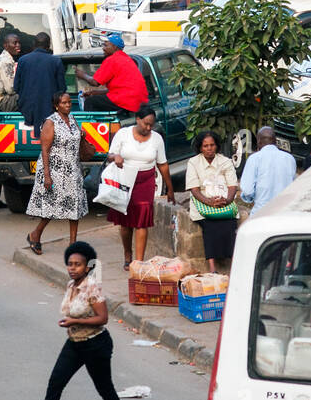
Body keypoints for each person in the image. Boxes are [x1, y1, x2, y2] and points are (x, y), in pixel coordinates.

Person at [23, 241, 134, 400]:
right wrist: (71, 323)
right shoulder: (70, 285)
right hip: (74, 343)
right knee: (55, 383)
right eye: (70, 264)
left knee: (104, 388)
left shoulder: (92, 286)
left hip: (95, 345)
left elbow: (103, 318)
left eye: (78, 264)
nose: (72, 268)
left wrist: (75, 321)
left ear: (88, 267)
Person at [106, 105, 172, 269]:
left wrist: (170, 189)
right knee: (126, 223)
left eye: (151, 125)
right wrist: (116, 157)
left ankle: (139, 262)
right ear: (137, 119)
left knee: (142, 220)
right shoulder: (123, 134)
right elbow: (109, 155)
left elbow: (162, 164)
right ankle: (128, 254)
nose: (148, 128)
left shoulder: (157, 138)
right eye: (145, 124)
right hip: (124, 180)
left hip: (146, 181)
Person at [25, 92, 87, 255]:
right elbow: (45, 150)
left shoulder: (72, 119)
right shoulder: (50, 122)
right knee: (52, 207)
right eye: (64, 103)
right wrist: (47, 175)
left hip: (73, 170)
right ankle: (35, 234)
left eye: (69, 103)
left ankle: (73, 244)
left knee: (74, 206)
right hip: (54, 170)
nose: (68, 105)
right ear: (56, 105)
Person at [186, 130, 240, 274]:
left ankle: (233, 265)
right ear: (200, 148)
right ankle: (212, 268)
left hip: (224, 202)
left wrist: (227, 200)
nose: (209, 148)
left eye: (212, 145)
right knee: (209, 226)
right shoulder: (193, 162)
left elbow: (232, 185)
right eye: (205, 146)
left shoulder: (225, 162)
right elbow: (194, 189)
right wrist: (209, 202)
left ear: (216, 146)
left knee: (230, 224)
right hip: (203, 203)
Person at [76, 33, 148, 115]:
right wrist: (95, 92)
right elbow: (119, 89)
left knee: (90, 102)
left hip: (126, 101)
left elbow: (95, 82)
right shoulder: (127, 59)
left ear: (115, 47)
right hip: (138, 101)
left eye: (106, 46)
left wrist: (82, 75)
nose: (103, 48)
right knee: (97, 99)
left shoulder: (112, 59)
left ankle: (92, 125)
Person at [240, 126, 297, 217]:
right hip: (285, 213)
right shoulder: (289, 158)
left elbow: (247, 190)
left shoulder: (254, 159)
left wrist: (250, 198)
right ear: (275, 141)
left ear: (259, 141)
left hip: (262, 213)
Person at [15, 31, 66, 129]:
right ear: (49, 45)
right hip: (49, 112)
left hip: (27, 112)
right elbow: (62, 89)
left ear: (34, 44)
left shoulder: (22, 60)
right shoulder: (56, 61)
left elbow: (16, 87)